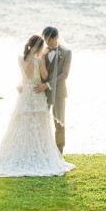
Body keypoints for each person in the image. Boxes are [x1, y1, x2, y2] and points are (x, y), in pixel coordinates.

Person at [0, 35, 75, 177]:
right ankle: (37, 152)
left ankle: (21, 152)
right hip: (36, 92)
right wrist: (42, 61)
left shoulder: (20, 59)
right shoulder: (39, 60)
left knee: (22, 124)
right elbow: (44, 76)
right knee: (37, 125)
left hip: (25, 94)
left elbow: (23, 77)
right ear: (39, 47)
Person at [33, 27, 72, 155]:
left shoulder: (67, 53)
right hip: (42, 92)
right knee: (42, 120)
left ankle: (59, 150)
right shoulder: (42, 52)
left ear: (56, 38)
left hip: (59, 92)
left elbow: (64, 75)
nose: (46, 42)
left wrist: (48, 85)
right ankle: (42, 149)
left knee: (59, 121)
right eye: (44, 39)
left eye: (48, 39)